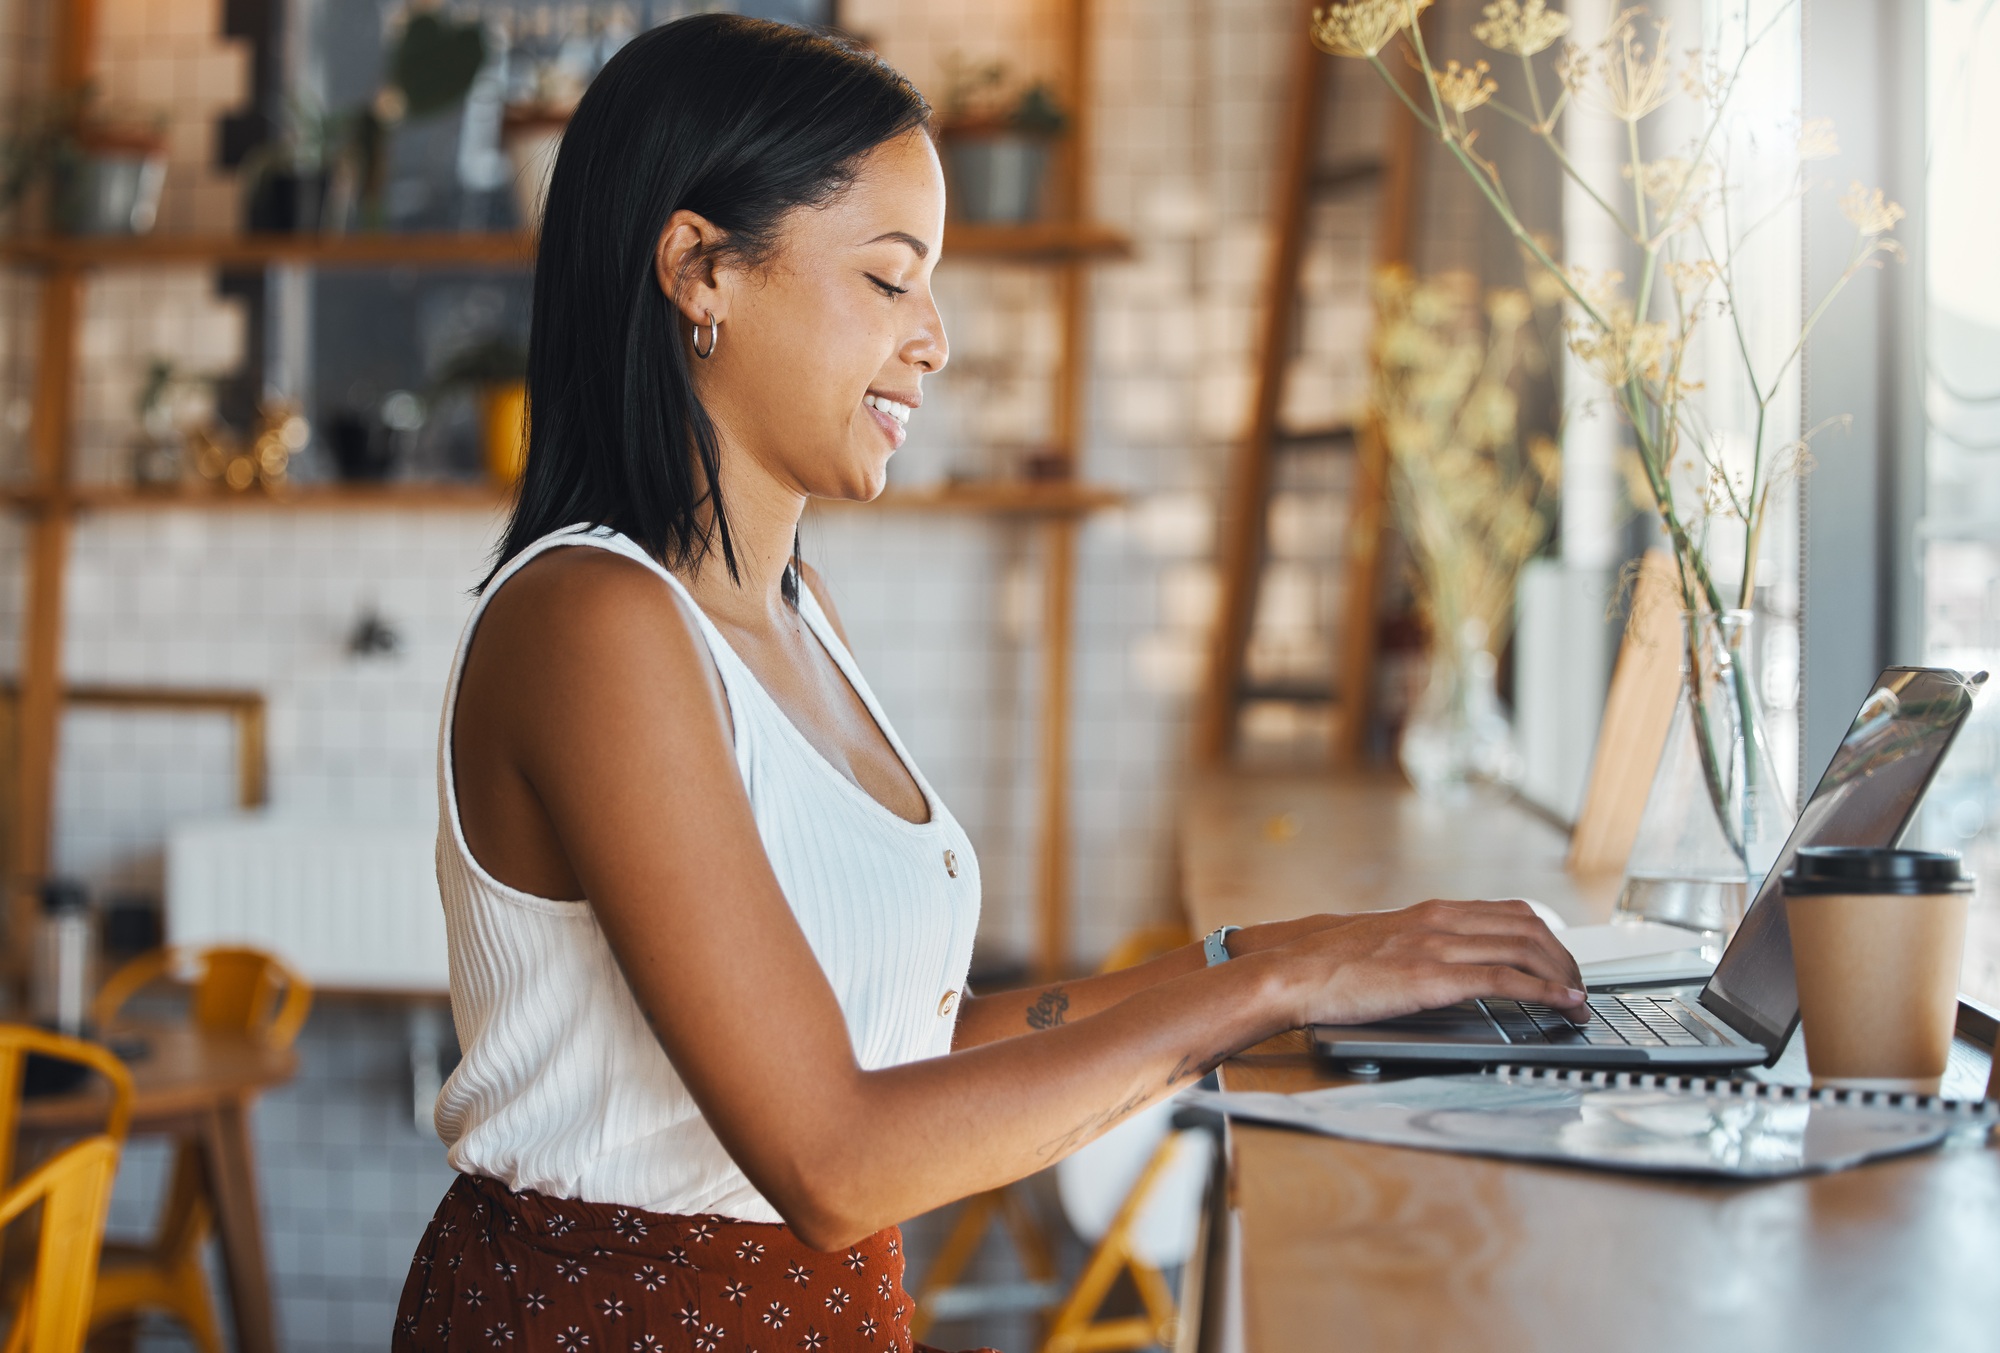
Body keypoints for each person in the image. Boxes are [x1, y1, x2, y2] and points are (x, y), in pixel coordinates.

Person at [395, 14, 1588, 1352]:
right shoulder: (591, 622)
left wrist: (1277, 953)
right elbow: (834, 1157)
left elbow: (919, 1038)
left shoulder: (793, 610)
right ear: (699, 269)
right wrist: (1268, 995)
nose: (934, 339)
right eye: (890, 279)